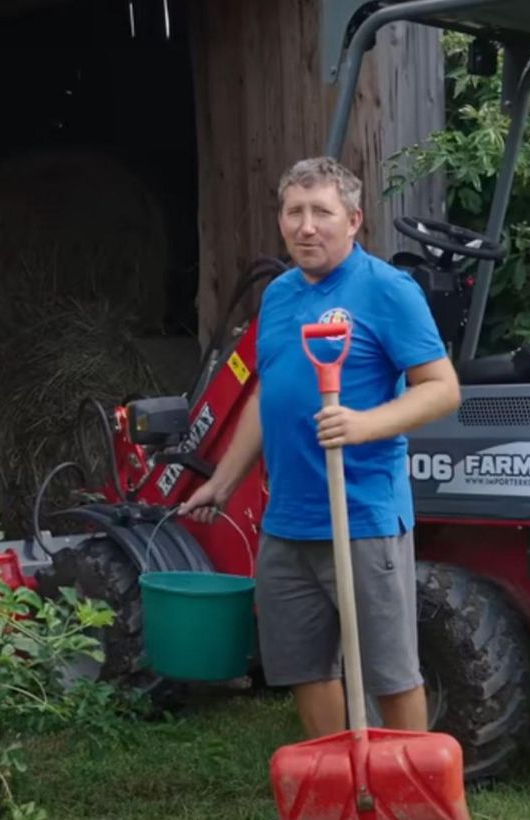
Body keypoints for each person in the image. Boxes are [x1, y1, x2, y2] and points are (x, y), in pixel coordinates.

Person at [180, 156, 461, 738]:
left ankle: (409, 791)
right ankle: (341, 789)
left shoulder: (387, 290)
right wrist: (223, 480)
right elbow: (268, 397)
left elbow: (441, 390)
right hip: (288, 522)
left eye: (322, 213)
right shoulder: (279, 296)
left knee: (391, 673)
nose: (306, 226)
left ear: (354, 220)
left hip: (361, 516)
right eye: (294, 212)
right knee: (306, 669)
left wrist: (364, 424)